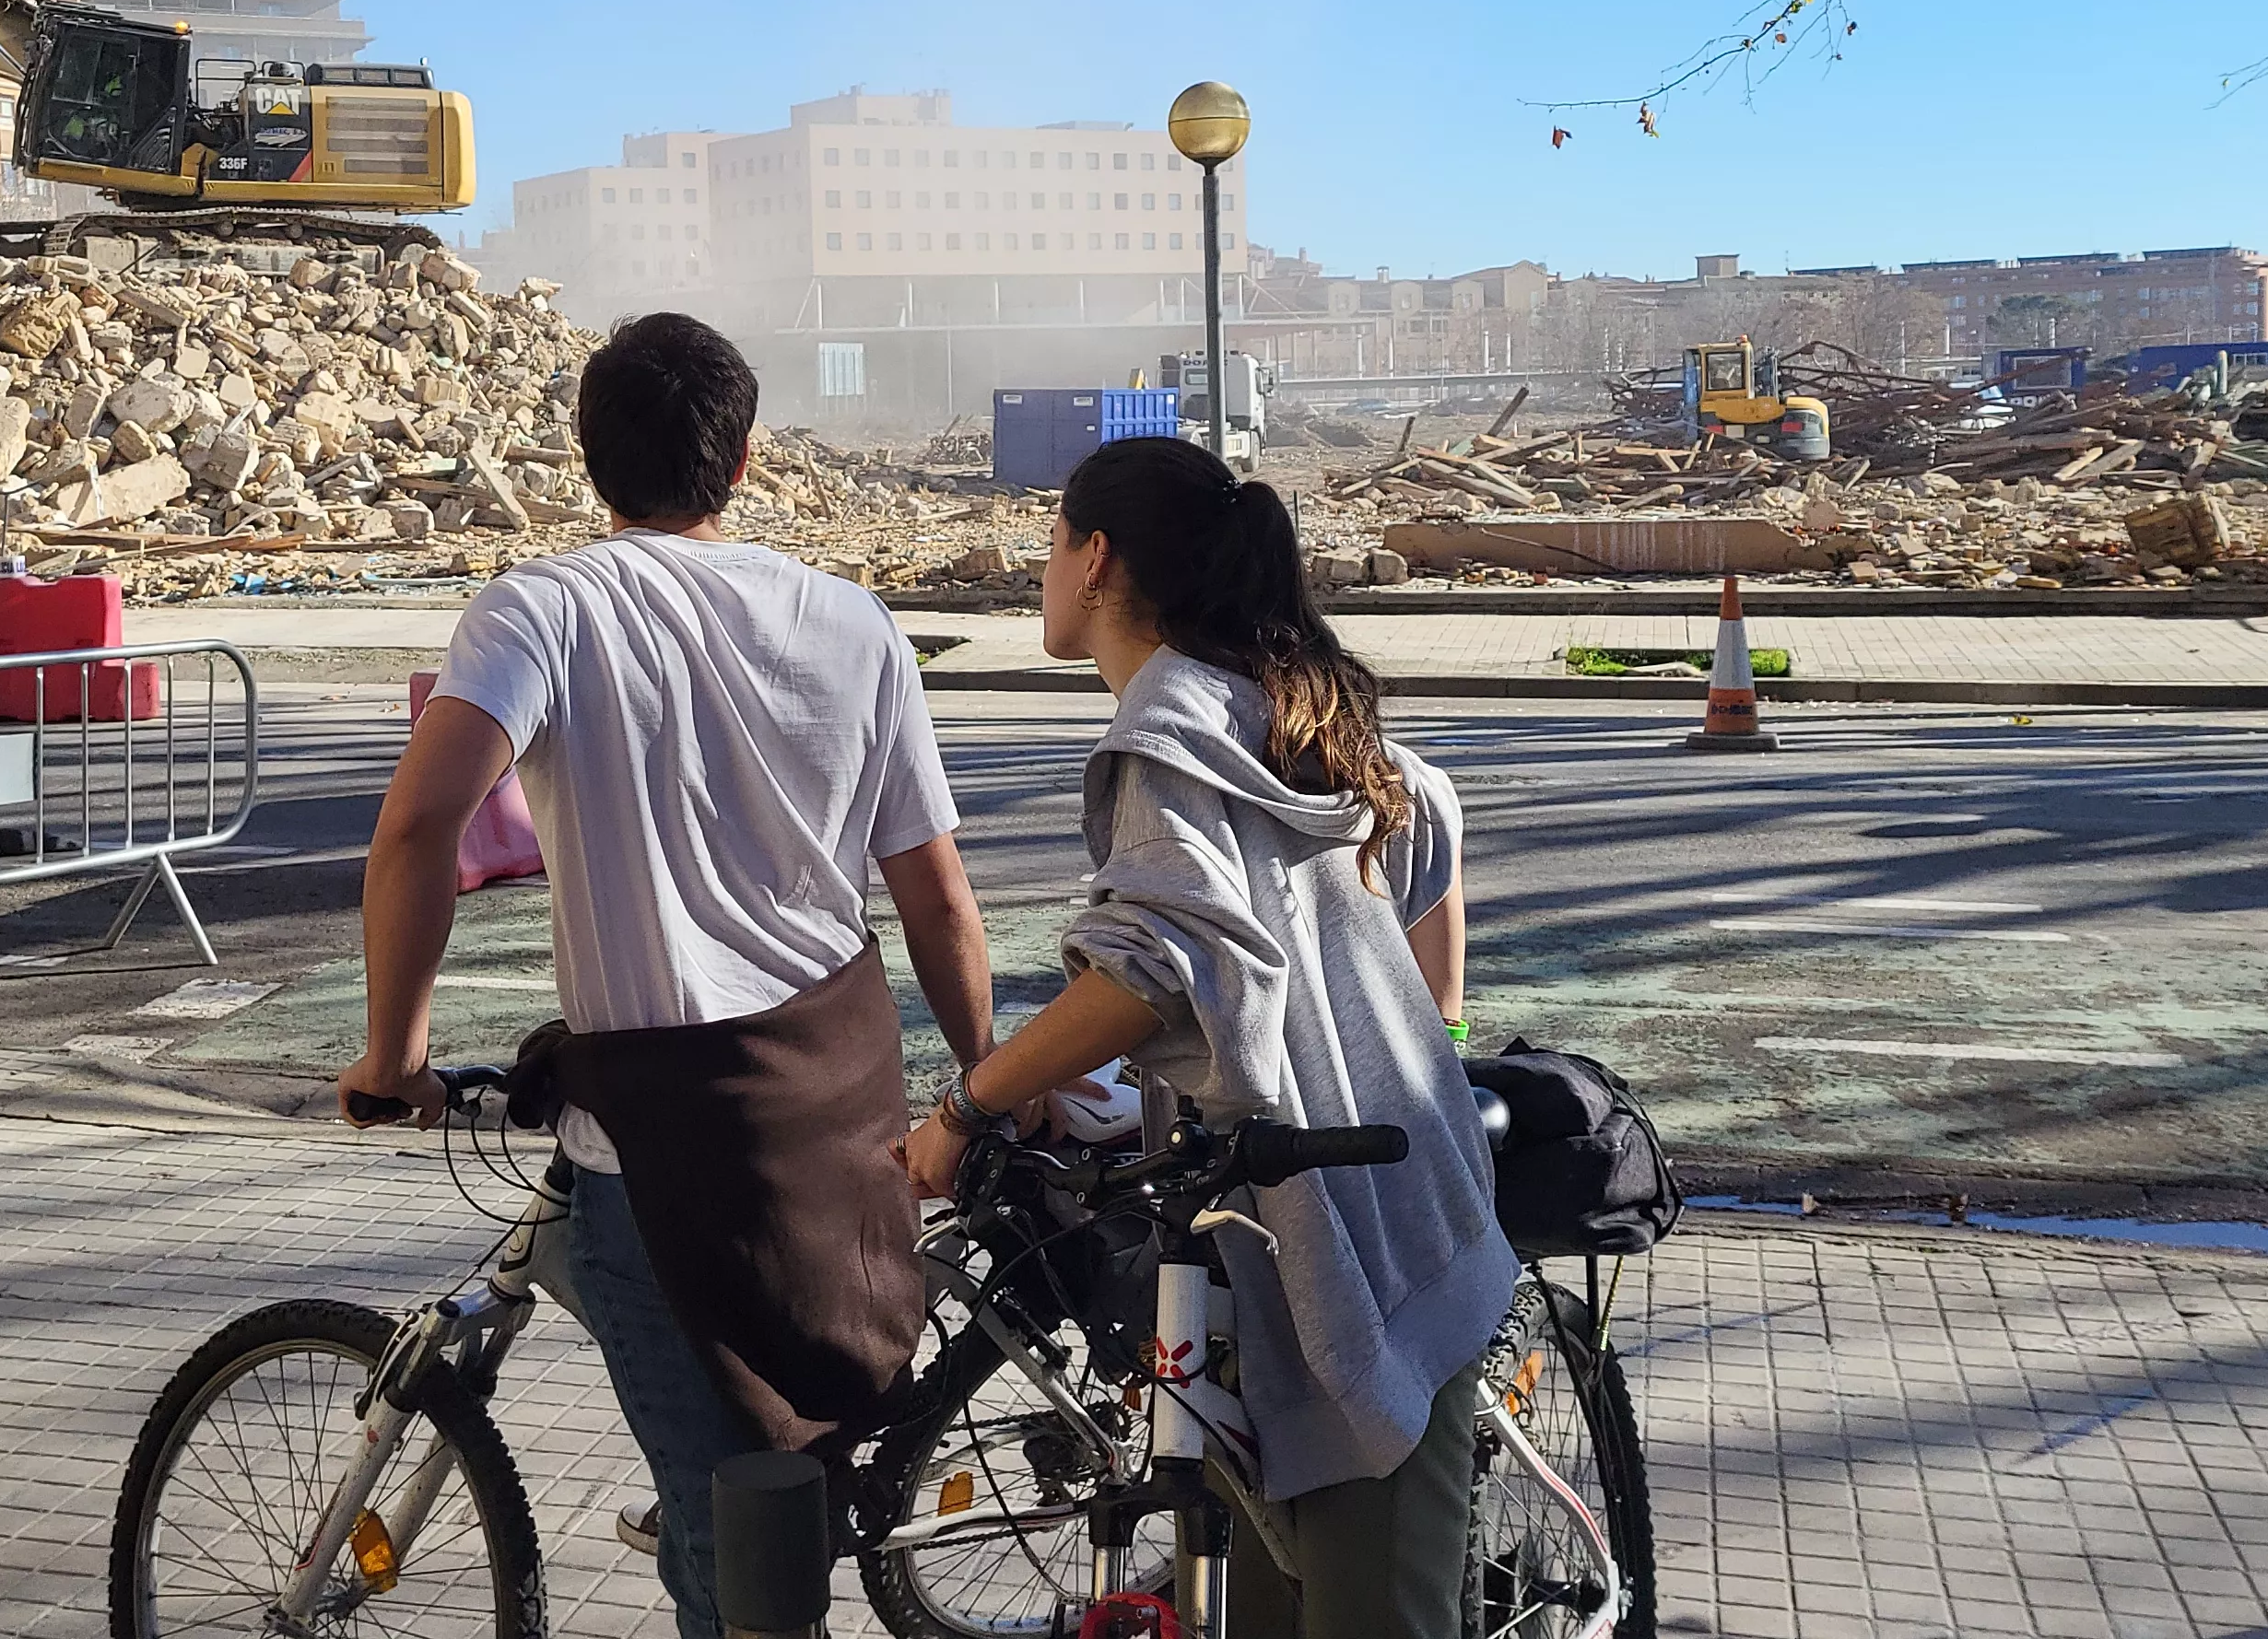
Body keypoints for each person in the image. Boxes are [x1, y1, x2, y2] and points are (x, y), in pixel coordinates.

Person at [339, 311, 999, 1639]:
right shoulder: (854, 622)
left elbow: (419, 829)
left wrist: (394, 1055)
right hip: (841, 1136)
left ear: (588, 460)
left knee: (733, 1553)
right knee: (770, 1497)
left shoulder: (545, 608)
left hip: (666, 1157)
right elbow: (935, 896)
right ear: (745, 459)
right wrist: (988, 1083)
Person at [898, 433, 1513, 1639]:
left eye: (1047, 546)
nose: (1038, 574)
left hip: (1354, 1251)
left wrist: (966, 1105)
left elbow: (1153, 969)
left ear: (1096, 557)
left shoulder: (1170, 717)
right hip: (1393, 1207)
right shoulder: (1270, 696)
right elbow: (1403, 836)